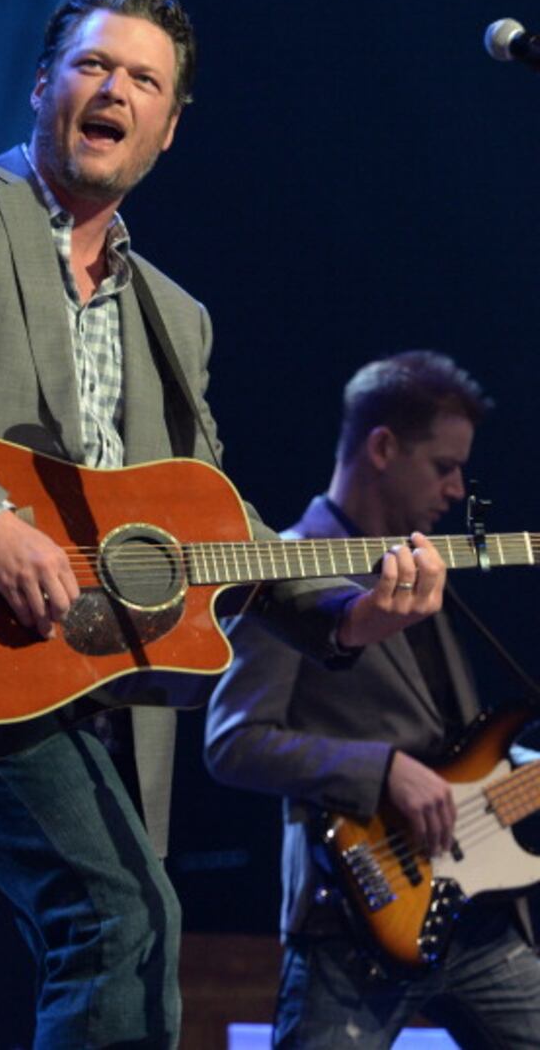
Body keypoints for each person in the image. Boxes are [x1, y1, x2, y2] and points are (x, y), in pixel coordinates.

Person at [0, 0, 445, 1049]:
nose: (115, 90)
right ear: (42, 85)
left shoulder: (177, 317)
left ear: (169, 127)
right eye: (94, 66)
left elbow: (214, 521)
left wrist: (345, 616)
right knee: (123, 922)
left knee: (125, 935)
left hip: (95, 673)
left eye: (144, 80)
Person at [205, 350, 540, 1049]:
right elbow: (231, 741)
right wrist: (383, 769)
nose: (458, 488)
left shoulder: (423, 564)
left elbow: (462, 752)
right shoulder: (286, 571)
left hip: (477, 921)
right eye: (443, 465)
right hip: (354, 925)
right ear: (383, 447)